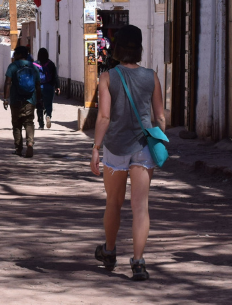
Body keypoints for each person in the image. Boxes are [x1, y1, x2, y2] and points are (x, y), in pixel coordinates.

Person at [89, 24, 164, 281]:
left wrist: (95, 148)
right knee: (140, 206)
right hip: (144, 148)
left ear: (118, 48)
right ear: (139, 47)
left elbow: (104, 116)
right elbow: (161, 117)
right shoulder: (151, 76)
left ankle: (109, 251)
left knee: (114, 202)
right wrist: (159, 139)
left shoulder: (108, 77)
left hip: (115, 149)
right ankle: (139, 263)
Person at [3, 46, 42, 157]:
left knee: (17, 124)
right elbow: (38, 85)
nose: (14, 56)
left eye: (15, 53)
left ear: (19, 54)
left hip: (16, 99)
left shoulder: (13, 66)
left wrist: (6, 99)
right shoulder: (33, 67)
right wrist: (39, 99)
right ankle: (30, 143)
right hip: (30, 99)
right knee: (29, 122)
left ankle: (18, 149)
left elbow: (7, 82)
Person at [35, 48, 57, 129]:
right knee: (48, 104)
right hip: (48, 87)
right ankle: (48, 115)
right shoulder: (50, 64)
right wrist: (57, 86)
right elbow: (55, 76)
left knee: (39, 105)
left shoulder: (34, 64)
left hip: (37, 87)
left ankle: (41, 124)